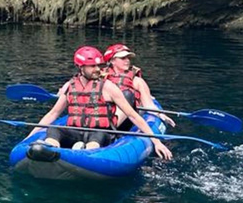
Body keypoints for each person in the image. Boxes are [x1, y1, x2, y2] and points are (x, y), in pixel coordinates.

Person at [27, 46, 173, 159]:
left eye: (98, 65)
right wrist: (28, 138)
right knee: (54, 129)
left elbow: (133, 116)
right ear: (81, 67)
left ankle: (86, 153)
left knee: (99, 134)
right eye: (92, 66)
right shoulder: (70, 86)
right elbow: (53, 114)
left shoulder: (108, 87)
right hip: (76, 131)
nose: (97, 69)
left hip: (99, 133)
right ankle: (50, 149)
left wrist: (157, 142)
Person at [103, 43, 175, 130]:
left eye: (128, 58)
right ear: (112, 61)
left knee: (127, 95)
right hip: (105, 116)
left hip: (128, 120)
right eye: (123, 58)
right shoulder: (101, 78)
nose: (127, 61)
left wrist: (161, 115)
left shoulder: (137, 81)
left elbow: (148, 104)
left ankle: (111, 129)